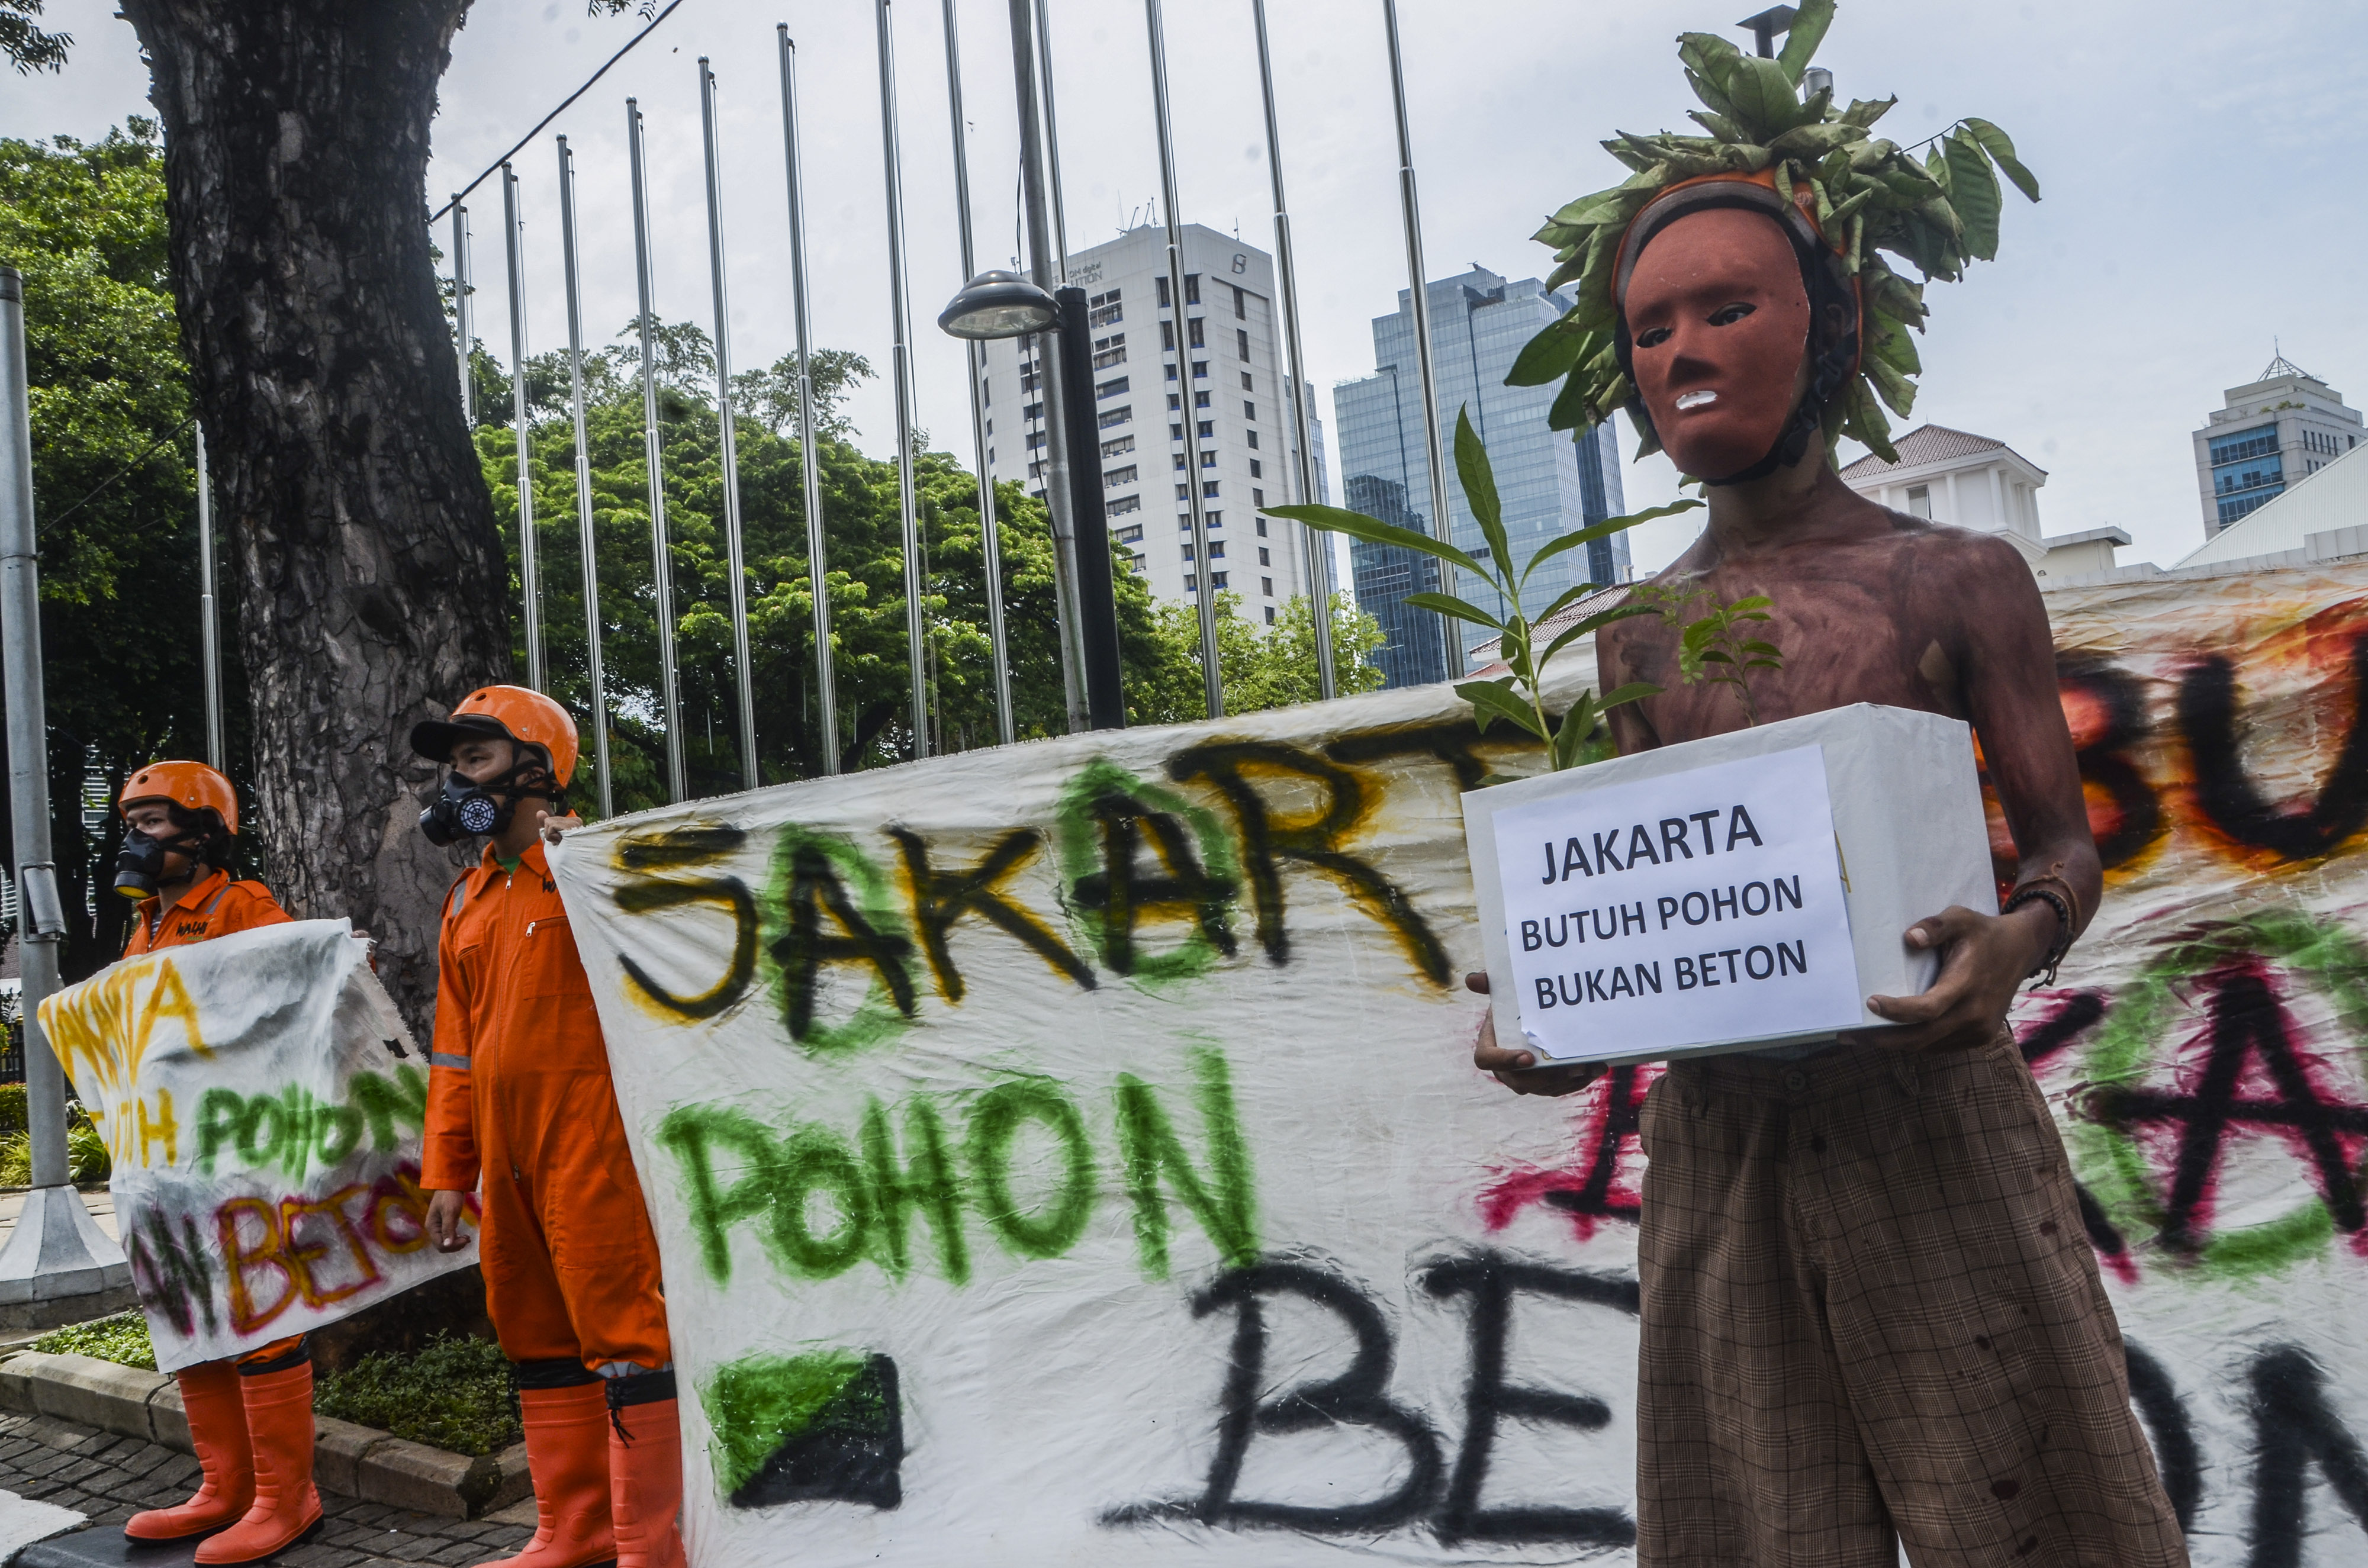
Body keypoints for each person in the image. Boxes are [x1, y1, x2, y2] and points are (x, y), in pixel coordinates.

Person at [1470, 33, 2188, 1568]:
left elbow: (2062, 846)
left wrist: (2015, 941)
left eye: (1727, 309)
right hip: (1721, 1143)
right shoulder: (1634, 636)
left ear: (1831, 329)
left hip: (1934, 1120)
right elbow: (1671, 900)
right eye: (1651, 327)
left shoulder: (1954, 576)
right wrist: (1560, 1015)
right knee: (1750, 1530)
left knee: (2052, 1517)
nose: (1684, 351)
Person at [411, 685, 683, 1568]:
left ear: (536, 769)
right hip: (507, 1158)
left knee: (625, 1333)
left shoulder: (598, 869)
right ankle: (574, 1530)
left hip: (595, 1144)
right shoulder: (466, 896)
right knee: (531, 1330)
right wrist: (448, 1170)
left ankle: (650, 1545)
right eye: (455, 762)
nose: (457, 780)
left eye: (476, 758)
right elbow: (453, 1051)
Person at [112, 762, 323, 1564]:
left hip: (239, 1156)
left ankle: (285, 1497)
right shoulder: (145, 924)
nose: (136, 839)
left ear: (204, 831)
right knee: (191, 1315)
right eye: (131, 824)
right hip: (166, 1163)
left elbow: (303, 999)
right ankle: (225, 1488)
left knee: (258, 1319)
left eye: (153, 822)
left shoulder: (243, 907)